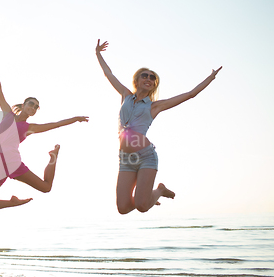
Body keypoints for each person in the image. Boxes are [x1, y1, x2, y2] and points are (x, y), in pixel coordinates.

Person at [95, 39, 222, 214]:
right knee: (123, 208)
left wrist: (210, 78)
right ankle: (148, 197)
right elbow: (108, 73)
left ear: (154, 84)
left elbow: (191, 94)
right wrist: (98, 53)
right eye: (145, 76)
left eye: (152, 78)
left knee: (141, 206)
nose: (149, 79)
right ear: (137, 80)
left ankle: (158, 191)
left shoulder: (154, 106)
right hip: (125, 158)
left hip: (146, 156)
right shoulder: (125, 95)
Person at [0, 55, 89, 214]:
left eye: (36, 107)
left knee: (46, 187)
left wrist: (75, 119)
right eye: (31, 104)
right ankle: (12, 203)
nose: (33, 108)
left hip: (12, 163)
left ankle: (53, 157)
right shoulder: (7, 115)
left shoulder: (29, 127)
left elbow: (54, 125)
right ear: (24, 104)